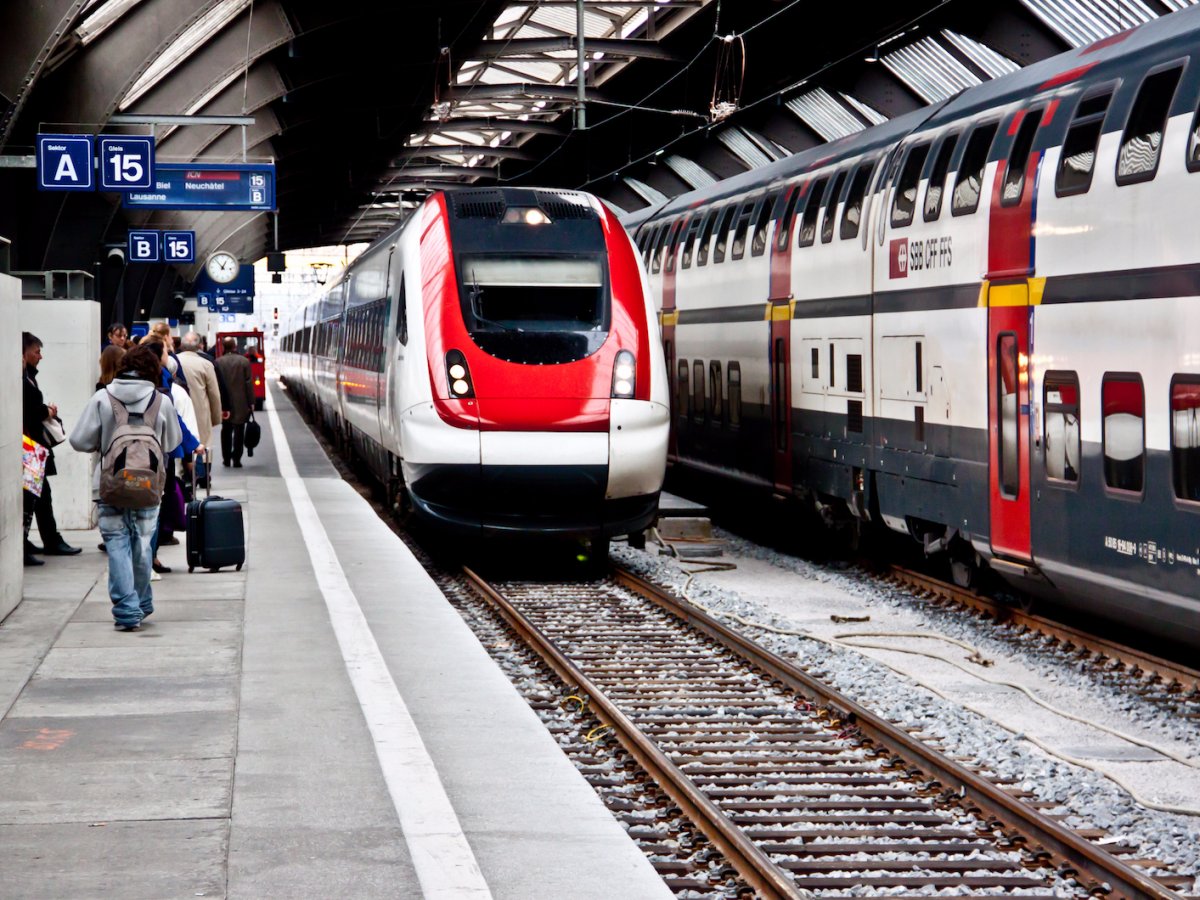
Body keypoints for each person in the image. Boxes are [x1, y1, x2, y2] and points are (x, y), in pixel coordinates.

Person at [69, 345, 181, 631]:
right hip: (148, 487)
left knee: (117, 545)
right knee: (142, 545)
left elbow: (79, 440)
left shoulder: (102, 398)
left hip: (110, 487)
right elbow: (172, 443)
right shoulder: (161, 401)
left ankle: (127, 609)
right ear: (152, 371)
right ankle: (141, 602)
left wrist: (104, 443)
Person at [22, 332, 80, 565]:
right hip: (29, 448)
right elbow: (30, 412)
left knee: (37, 496)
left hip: (31, 448)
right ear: (23, 354)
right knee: (37, 496)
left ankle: (36, 540)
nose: (40, 356)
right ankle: (46, 540)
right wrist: (47, 411)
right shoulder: (23, 381)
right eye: (37, 352)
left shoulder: (27, 378)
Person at [214, 337, 254, 468]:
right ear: (235, 346)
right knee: (239, 431)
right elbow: (248, 383)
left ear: (223, 347)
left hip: (224, 403)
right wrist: (251, 402)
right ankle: (237, 459)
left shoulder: (218, 362)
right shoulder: (244, 362)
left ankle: (226, 459)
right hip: (241, 402)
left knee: (226, 430)